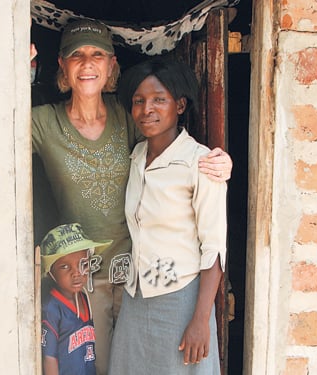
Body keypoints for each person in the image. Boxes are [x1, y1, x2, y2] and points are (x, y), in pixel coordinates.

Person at [31, 19, 232, 375]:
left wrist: (220, 163)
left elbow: (211, 240)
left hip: (142, 277)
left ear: (112, 65)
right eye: (76, 55)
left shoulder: (129, 120)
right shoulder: (48, 124)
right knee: (111, 366)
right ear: (62, 65)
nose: (87, 63)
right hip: (87, 279)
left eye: (97, 54)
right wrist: (18, 72)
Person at [108, 58, 227, 374]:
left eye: (159, 99)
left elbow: (214, 248)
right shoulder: (136, 158)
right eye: (139, 101)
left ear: (180, 105)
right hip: (137, 295)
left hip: (181, 299)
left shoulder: (200, 162)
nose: (147, 109)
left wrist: (201, 319)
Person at [40, 223, 112, 375]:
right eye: (65, 267)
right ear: (51, 272)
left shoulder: (84, 298)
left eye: (83, 264)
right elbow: (49, 357)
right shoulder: (52, 308)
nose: (76, 273)